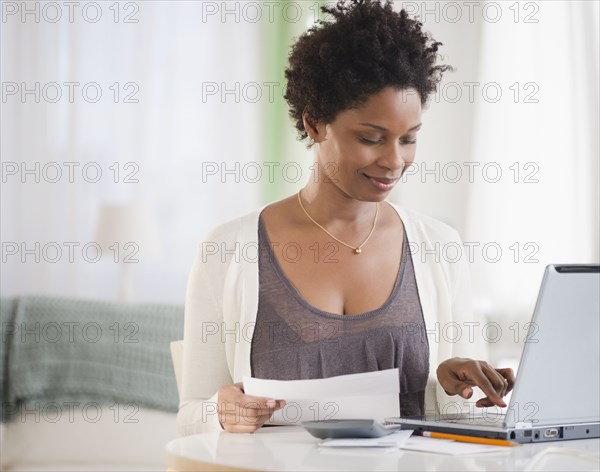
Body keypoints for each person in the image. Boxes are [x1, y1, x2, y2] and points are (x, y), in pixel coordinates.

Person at [177, 0, 515, 435]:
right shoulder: (226, 249)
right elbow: (192, 412)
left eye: (409, 139)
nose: (394, 161)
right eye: (371, 138)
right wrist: (220, 412)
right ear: (315, 124)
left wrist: (456, 388)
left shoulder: (440, 246)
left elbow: (471, 419)